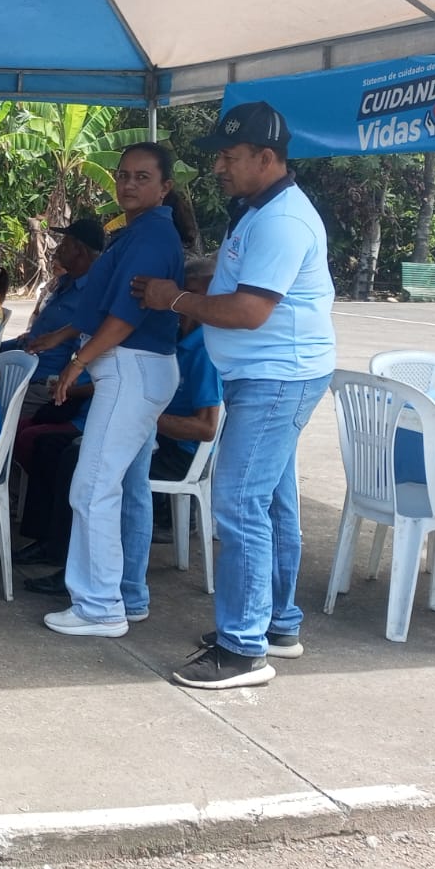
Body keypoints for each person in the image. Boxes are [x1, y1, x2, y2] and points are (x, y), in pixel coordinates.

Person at [133, 102, 335, 690]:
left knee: (239, 501)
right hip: (269, 374)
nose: (218, 167)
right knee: (271, 502)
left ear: (266, 157)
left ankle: (243, 649)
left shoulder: (282, 221)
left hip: (277, 378)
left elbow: (248, 310)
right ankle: (276, 624)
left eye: (229, 156)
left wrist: (174, 298)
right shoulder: (258, 208)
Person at [28, 143, 185, 638]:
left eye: (142, 177)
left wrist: (77, 363)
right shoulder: (136, 232)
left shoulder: (150, 237)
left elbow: (125, 317)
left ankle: (99, 607)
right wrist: (64, 338)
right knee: (122, 487)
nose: (128, 184)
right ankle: (126, 596)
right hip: (138, 367)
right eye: (123, 175)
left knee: (93, 488)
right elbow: (103, 307)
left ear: (165, 187)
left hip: (131, 368)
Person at [20, 256, 222, 595]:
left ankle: (82, 568)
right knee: (59, 448)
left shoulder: (204, 349)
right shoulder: (172, 335)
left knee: (82, 462)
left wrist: (145, 415)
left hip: (179, 453)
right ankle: (57, 548)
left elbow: (206, 428)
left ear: (199, 292)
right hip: (150, 434)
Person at [1, 219, 106, 413]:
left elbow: (82, 350)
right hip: (23, 367)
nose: (58, 250)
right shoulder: (63, 283)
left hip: (42, 384)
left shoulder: (92, 294)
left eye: (65, 245)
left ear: (80, 252)